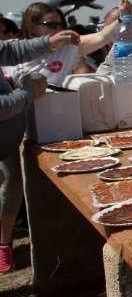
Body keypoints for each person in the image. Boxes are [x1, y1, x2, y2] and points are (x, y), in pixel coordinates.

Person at [1, 30, 81, 273]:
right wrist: (27, 92)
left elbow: (9, 50)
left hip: (6, 141)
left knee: (10, 185)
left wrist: (48, 42)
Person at [12, 2, 119, 85]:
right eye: (52, 25)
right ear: (33, 27)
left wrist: (124, 16)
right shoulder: (12, 50)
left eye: (61, 24)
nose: (59, 29)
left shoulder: (67, 48)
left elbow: (102, 36)